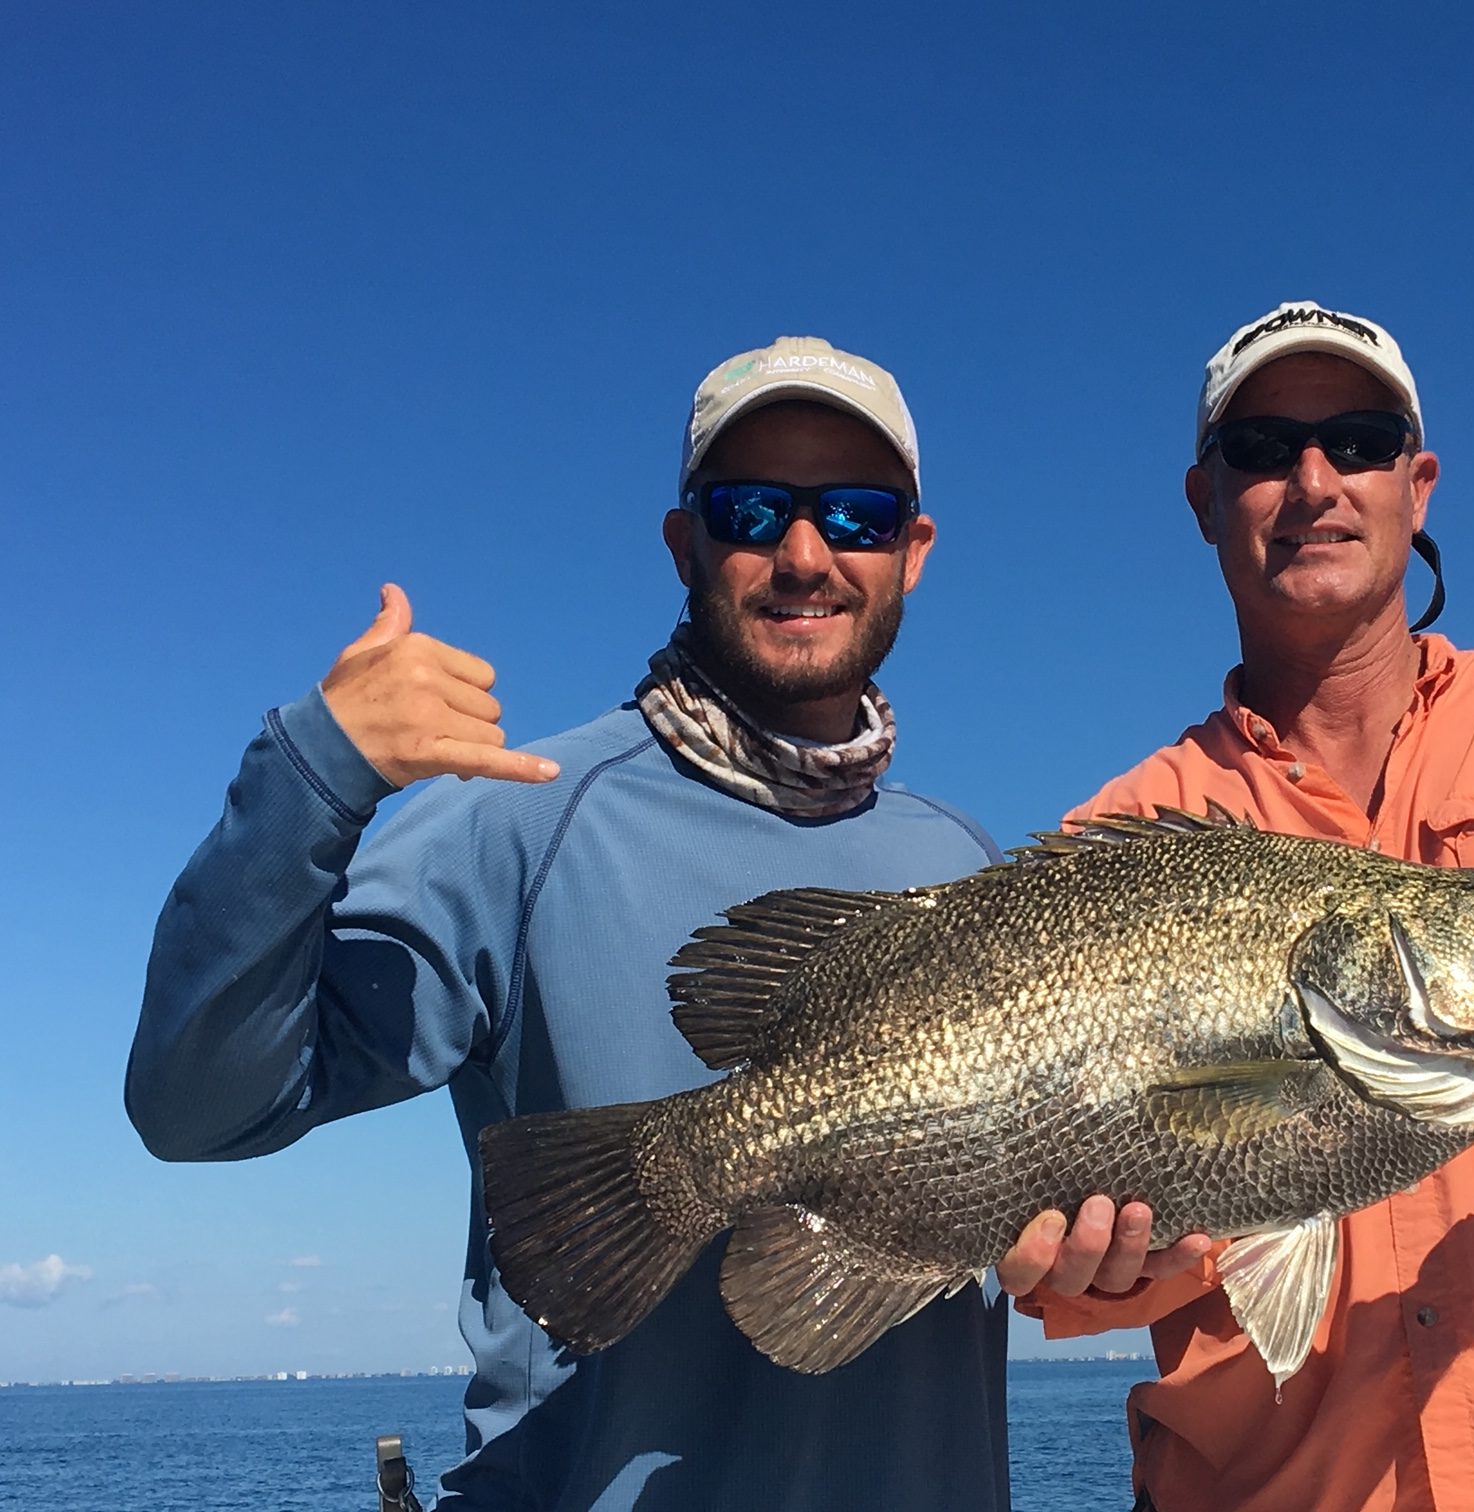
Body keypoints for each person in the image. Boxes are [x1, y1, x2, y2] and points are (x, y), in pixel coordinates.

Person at [127, 336, 1013, 1511]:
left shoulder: (964, 864)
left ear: (914, 549)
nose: (805, 554)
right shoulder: (517, 821)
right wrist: (312, 771)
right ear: (684, 540)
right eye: (753, 509)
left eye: (856, 514)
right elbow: (199, 1107)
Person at [1000, 301, 1474, 1511]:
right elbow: (1066, 1265)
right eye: (1261, 451)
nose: (1313, 482)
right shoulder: (1126, 831)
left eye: (1357, 442)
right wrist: (1103, 1275)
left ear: (1417, 486)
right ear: (1206, 501)